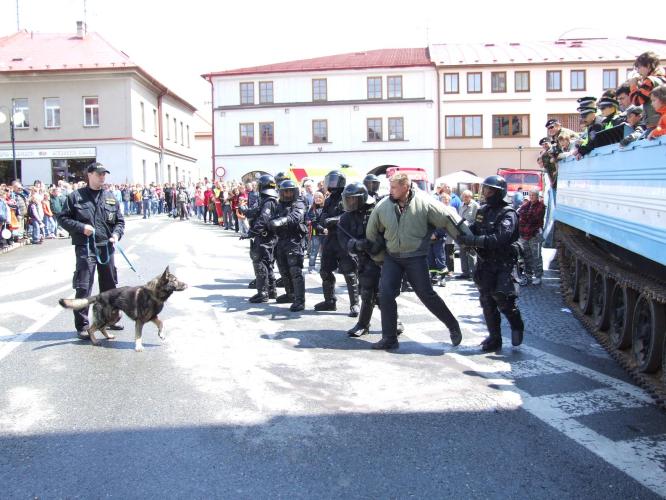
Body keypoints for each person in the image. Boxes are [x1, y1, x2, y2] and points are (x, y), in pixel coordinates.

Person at [366, 173, 463, 350]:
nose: (391, 190)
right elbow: (371, 233)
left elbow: (448, 219)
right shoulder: (383, 206)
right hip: (392, 257)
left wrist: (467, 241)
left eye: (394, 187)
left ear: (405, 187)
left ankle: (453, 326)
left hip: (416, 257)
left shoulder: (425, 203)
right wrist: (378, 258)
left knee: (427, 295)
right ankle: (389, 338)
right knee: (386, 295)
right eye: (390, 186)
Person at [57, 162, 125, 339]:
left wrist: (116, 235)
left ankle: (111, 319)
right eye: (99, 174)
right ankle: (83, 325)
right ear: (90, 175)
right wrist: (81, 227)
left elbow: (119, 221)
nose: (102, 177)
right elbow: (62, 218)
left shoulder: (110, 196)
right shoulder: (75, 197)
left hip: (106, 247)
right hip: (86, 247)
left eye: (104, 174)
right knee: (84, 286)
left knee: (110, 287)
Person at [456, 175, 524, 351]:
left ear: (498, 192)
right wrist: (461, 233)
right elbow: (475, 229)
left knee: (504, 300)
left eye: (489, 190)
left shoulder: (508, 213)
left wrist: (475, 240)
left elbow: (501, 238)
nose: (485, 192)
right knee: (487, 301)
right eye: (484, 189)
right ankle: (495, 338)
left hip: (504, 263)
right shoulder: (482, 211)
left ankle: (517, 325)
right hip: (485, 262)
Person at [314, 170, 360, 317]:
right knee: (325, 271)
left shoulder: (346, 197)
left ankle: (355, 304)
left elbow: (350, 214)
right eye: (330, 181)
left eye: (334, 181)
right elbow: (323, 217)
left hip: (343, 239)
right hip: (330, 240)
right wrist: (321, 222)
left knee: (349, 272)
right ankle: (330, 301)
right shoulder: (328, 199)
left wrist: (334, 220)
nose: (331, 184)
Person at [268, 180, 307, 312]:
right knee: (283, 269)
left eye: (290, 191)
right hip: (281, 240)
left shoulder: (299, 203)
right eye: (285, 191)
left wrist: (281, 221)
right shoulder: (279, 205)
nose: (288, 193)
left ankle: (300, 300)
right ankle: (290, 294)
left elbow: (296, 217)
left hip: (294, 241)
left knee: (295, 271)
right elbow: (270, 217)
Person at [243, 174, 279, 303]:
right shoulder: (267, 199)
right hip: (265, 237)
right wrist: (246, 211)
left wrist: (251, 232)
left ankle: (263, 292)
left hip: (265, 237)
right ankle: (271, 291)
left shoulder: (269, 201)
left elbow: (264, 219)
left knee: (260, 264)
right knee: (266, 263)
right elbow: (256, 212)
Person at [629, 51, 666, 132]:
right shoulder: (663, 79)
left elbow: (637, 101)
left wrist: (633, 86)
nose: (638, 71)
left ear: (648, 66)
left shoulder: (650, 80)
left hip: (654, 125)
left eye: (639, 67)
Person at [517, 189, 545, 286]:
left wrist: (525, 217)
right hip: (524, 235)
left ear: (537, 196)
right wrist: (524, 217)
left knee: (536, 256)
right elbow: (520, 214)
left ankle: (538, 276)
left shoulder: (541, 206)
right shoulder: (526, 205)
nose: (532, 197)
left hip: (535, 235)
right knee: (526, 256)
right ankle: (528, 275)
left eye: (534, 195)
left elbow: (535, 218)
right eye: (531, 195)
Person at [457, 190, 479, 280]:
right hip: (461, 232)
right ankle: (465, 272)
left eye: (466, 197)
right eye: (463, 196)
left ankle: (473, 273)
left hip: (471, 232)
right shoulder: (461, 205)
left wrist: (469, 224)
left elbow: (478, 220)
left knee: (471, 253)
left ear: (471, 197)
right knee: (462, 252)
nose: (464, 198)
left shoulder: (476, 206)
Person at [306, 191, 325, 273]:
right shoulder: (312, 209)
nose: (318, 199)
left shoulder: (326, 207)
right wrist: (323, 229)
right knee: (314, 250)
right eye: (316, 197)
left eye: (319, 197)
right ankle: (311, 267)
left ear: (323, 198)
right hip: (316, 233)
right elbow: (314, 223)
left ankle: (324, 267)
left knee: (324, 251)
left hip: (326, 233)